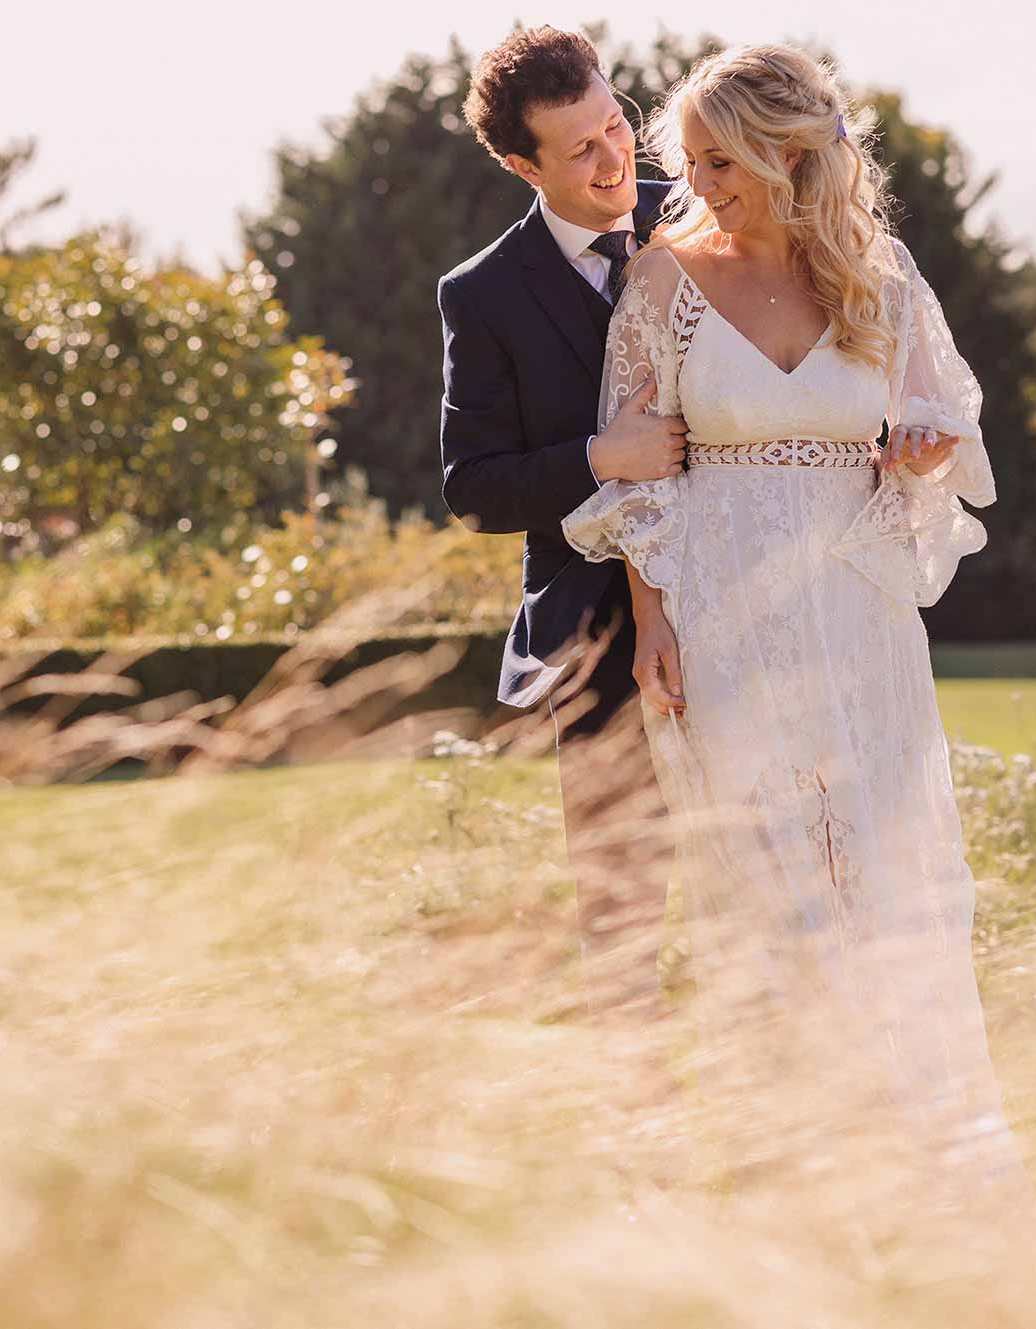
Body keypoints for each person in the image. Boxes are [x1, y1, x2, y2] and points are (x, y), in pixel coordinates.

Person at [562, 42, 1035, 1210]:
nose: (696, 183)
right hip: (722, 611)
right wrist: (652, 621)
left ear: (787, 155)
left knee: (877, 862)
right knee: (765, 872)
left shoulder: (878, 276)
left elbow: (944, 434)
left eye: (720, 161)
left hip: (856, 612)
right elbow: (641, 480)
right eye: (690, 160)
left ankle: (914, 1153)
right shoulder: (662, 283)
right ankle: (800, 1164)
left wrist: (916, 454)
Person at [438, 27, 688, 1011]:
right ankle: (630, 1082)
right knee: (621, 899)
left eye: (614, 124)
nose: (614, 156)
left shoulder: (708, 214)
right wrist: (599, 458)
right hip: (591, 627)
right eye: (578, 148)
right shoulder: (482, 295)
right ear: (520, 166)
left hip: (743, 579)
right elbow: (474, 486)